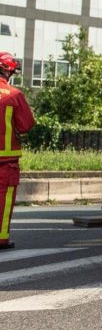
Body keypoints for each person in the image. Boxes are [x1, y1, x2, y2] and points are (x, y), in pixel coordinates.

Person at [0, 53, 34, 250]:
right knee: (3, 201)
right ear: (8, 71)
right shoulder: (14, 95)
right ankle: (1, 238)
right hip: (5, 162)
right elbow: (26, 125)